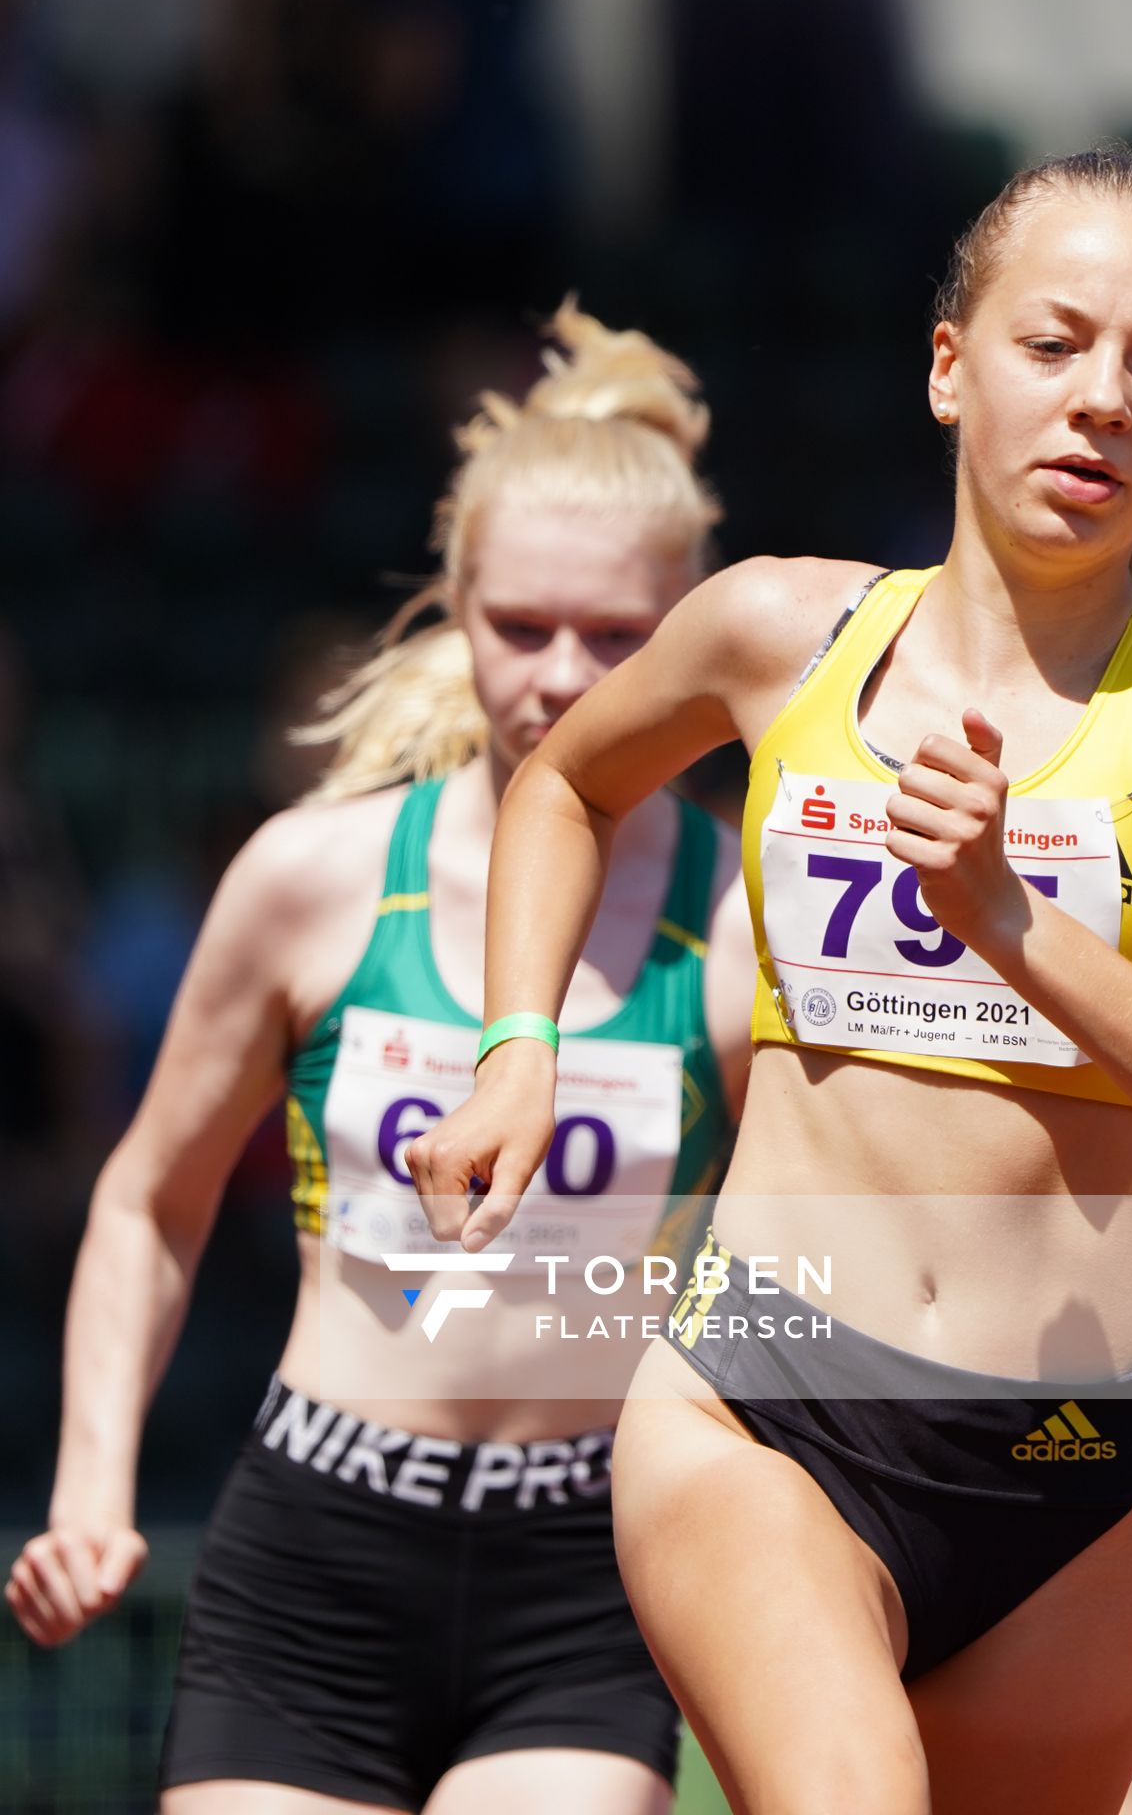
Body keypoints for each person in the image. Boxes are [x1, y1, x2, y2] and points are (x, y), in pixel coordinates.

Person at [406, 148, 1132, 1815]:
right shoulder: (778, 635)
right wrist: (515, 1045)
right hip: (771, 1401)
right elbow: (562, 782)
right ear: (947, 367)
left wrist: (1015, 921)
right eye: (1052, 344)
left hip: (1082, 1468)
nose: (1103, 403)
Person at [6, 303, 755, 1815]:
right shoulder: (319, 881)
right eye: (520, 627)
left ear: (688, 633)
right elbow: (149, 1198)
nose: (560, 678)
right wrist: (94, 1479)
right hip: (321, 1556)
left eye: (616, 638)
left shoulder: (738, 915)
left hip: (588, 1569)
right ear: (456, 604)